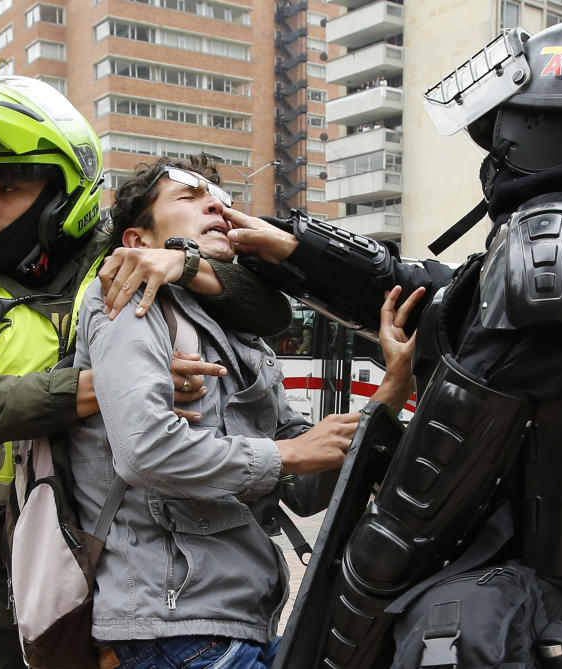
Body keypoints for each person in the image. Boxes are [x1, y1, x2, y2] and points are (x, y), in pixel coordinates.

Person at [209, 19, 562, 668]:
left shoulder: (552, 247)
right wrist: (297, 250)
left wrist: (342, 622)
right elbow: (426, 296)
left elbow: (419, 504)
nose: (494, 157)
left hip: (498, 621)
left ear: (541, 125)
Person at [0, 77, 291, 669]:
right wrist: (126, 385)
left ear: (64, 190)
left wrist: (182, 261)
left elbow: (266, 308)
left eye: (8, 186)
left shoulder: (113, 260)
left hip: (109, 547)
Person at [68, 155, 421, 669]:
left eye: (220, 198)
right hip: (173, 628)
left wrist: (392, 388)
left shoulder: (240, 333)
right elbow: (145, 453)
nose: (214, 203)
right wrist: (288, 452)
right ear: (137, 241)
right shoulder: (132, 298)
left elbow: (302, 487)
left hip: (235, 623)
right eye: (187, 198)